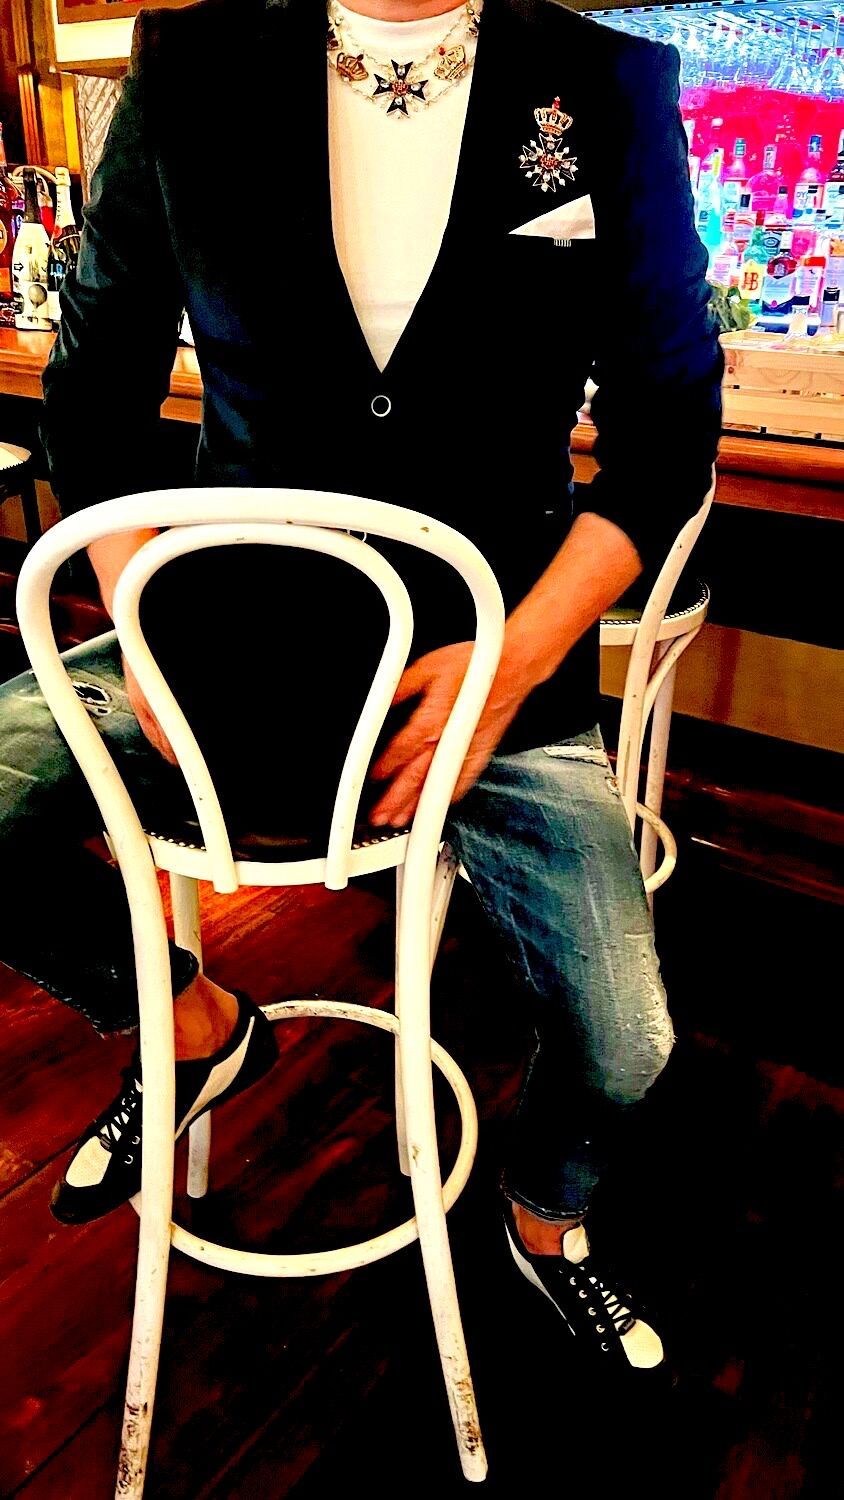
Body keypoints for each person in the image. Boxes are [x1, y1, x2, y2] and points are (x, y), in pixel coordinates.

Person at [0, 0, 721, 1380]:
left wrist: (514, 663)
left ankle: (545, 1210)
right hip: (218, 641)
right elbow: (93, 395)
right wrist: (144, 627)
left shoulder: (609, 84)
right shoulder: (191, 63)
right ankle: (193, 1031)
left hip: (492, 662)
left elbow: (667, 426)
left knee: (629, 1040)